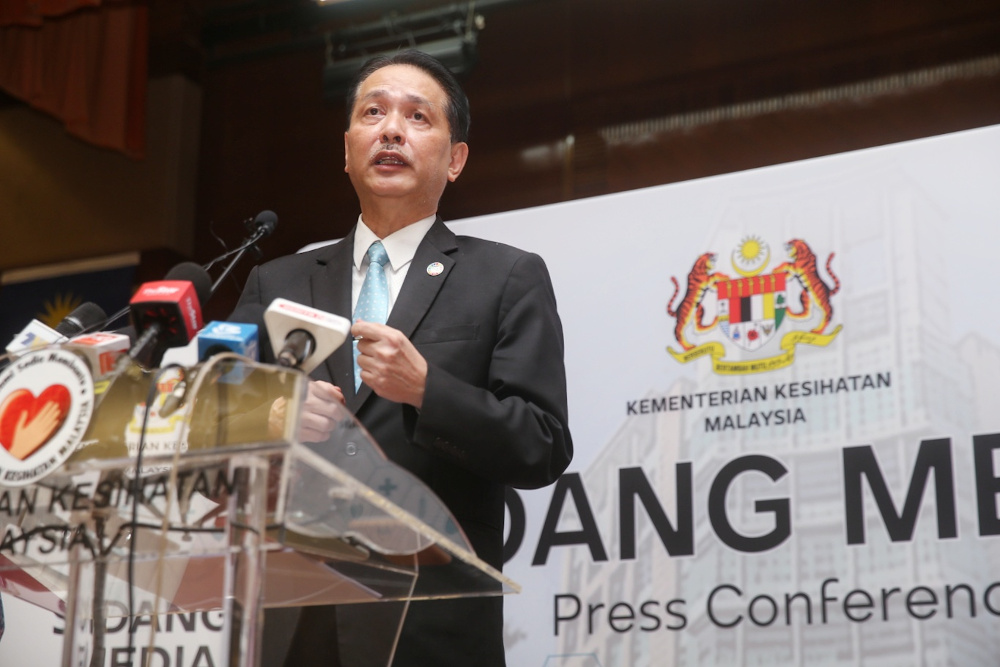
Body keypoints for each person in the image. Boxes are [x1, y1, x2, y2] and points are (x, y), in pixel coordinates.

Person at [233, 49, 573, 666]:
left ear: (456, 159)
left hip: (432, 631)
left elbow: (542, 444)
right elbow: (212, 416)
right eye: (373, 112)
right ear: (346, 149)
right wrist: (271, 414)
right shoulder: (275, 281)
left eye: (418, 117)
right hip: (292, 627)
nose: (391, 129)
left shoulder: (505, 277)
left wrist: (427, 390)